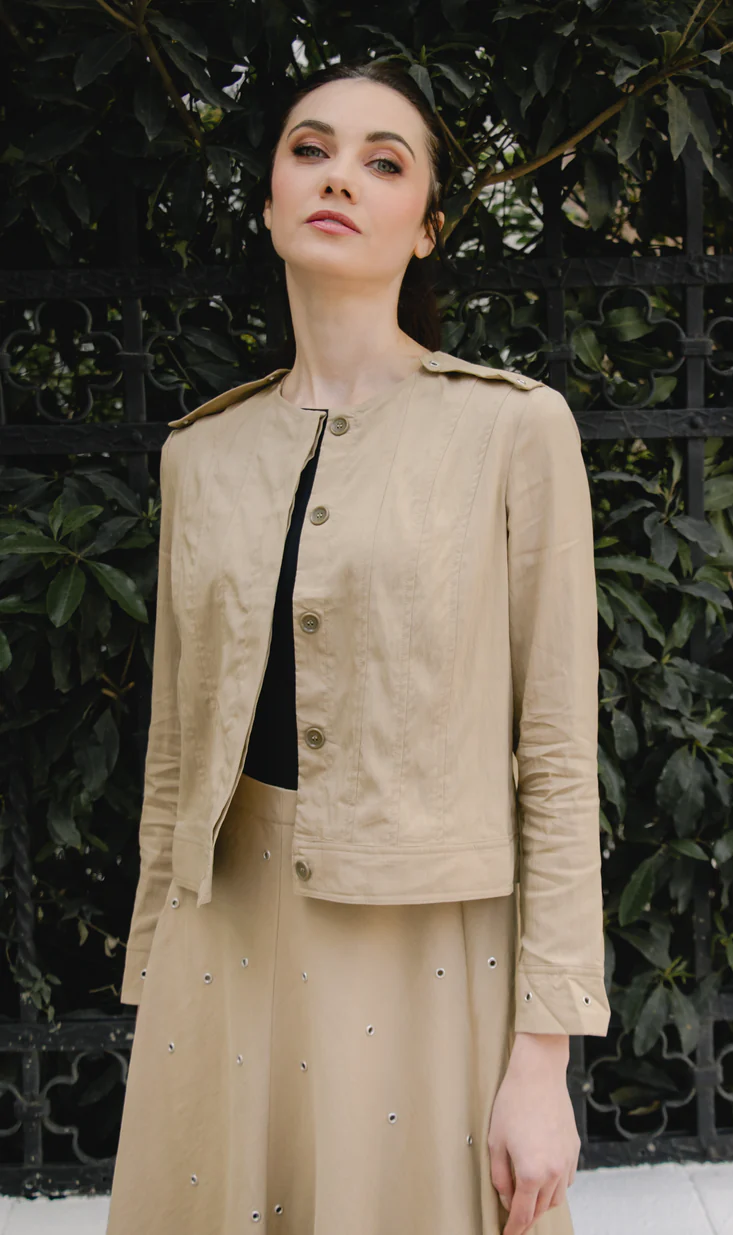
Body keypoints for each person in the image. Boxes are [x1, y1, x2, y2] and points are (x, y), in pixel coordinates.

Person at [106, 58, 610, 1235]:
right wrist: (153, 976)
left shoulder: (511, 429)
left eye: (383, 162)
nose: (339, 176)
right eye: (310, 149)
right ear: (268, 202)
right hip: (223, 936)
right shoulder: (200, 455)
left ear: (426, 227)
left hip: (430, 945)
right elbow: (176, 748)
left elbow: (555, 754)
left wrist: (544, 1055)